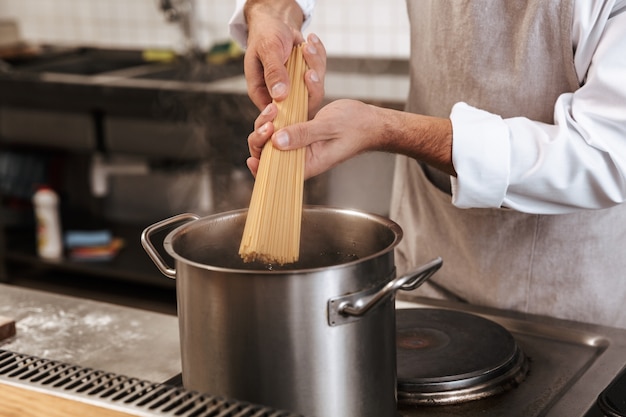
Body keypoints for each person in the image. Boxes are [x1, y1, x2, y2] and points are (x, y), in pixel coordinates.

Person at [229, 0, 626, 328]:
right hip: (421, 276)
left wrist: (388, 130)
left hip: (565, 310)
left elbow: (607, 151)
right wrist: (272, 11)